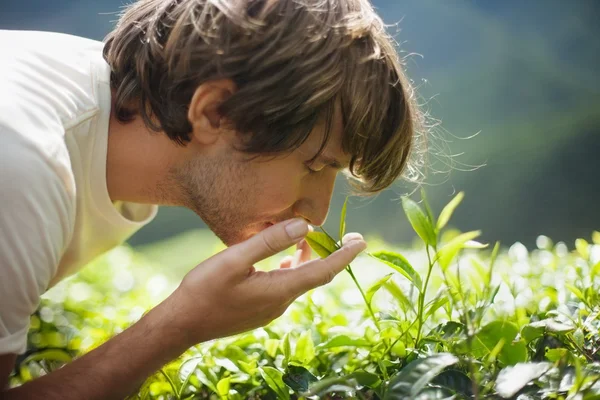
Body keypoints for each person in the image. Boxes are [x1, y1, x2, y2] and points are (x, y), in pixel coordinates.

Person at [0, 0, 421, 397]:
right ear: (215, 111)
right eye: (313, 165)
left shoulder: (101, 127)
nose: (316, 212)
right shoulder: (23, 163)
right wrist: (179, 325)